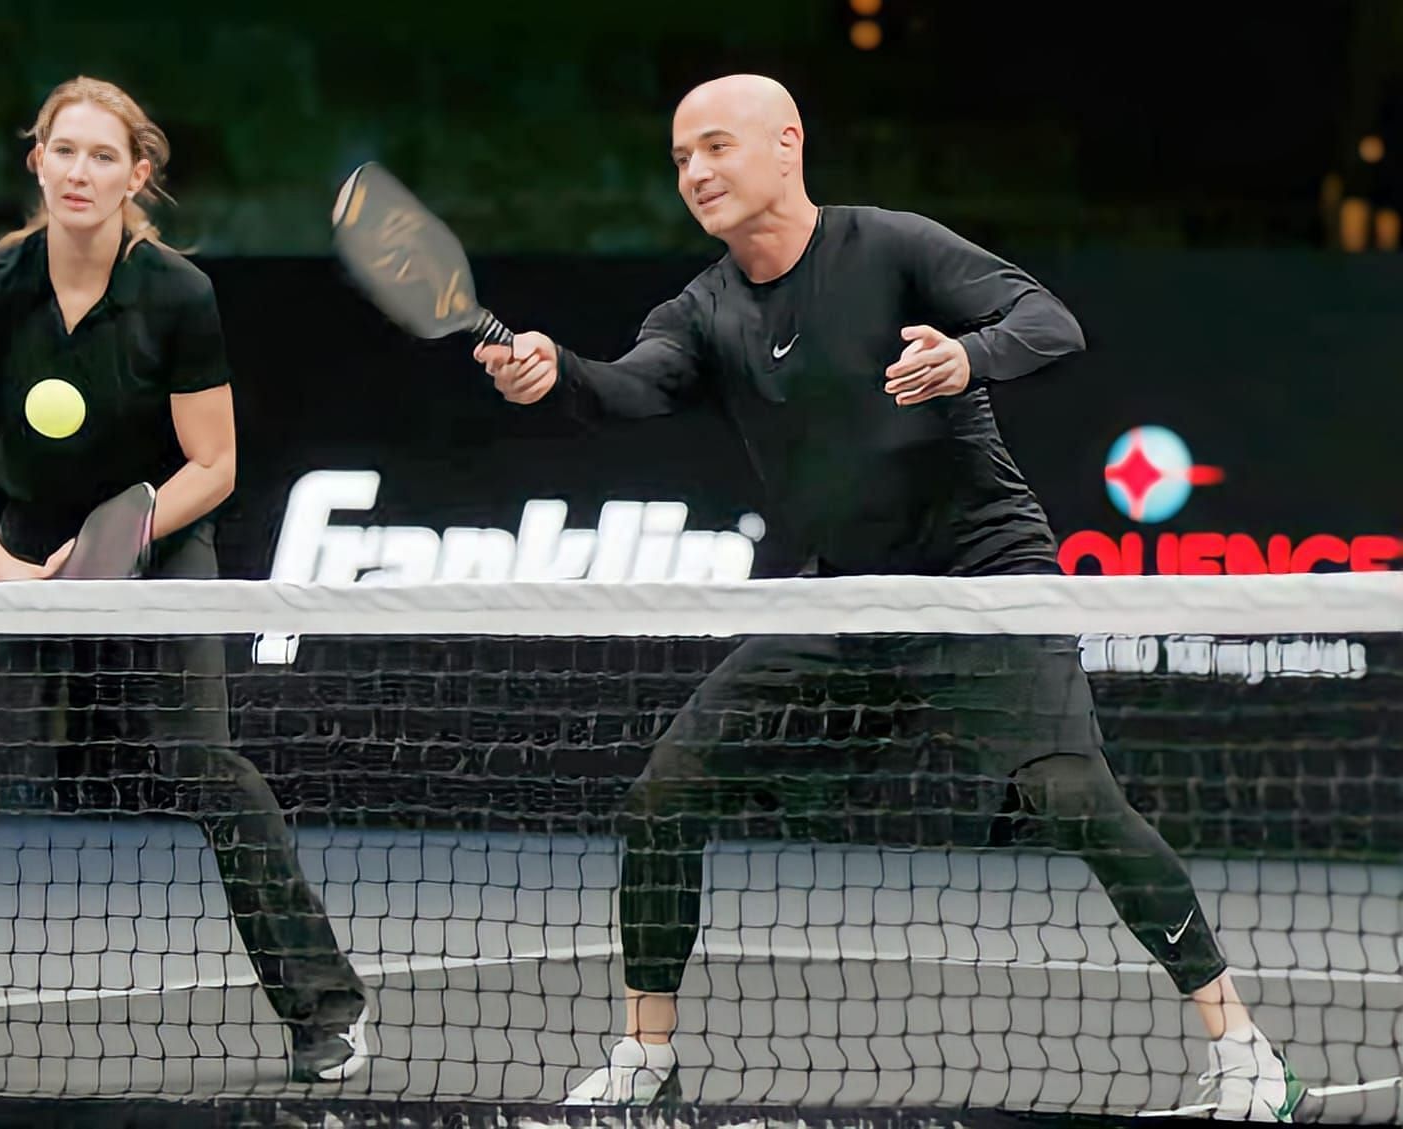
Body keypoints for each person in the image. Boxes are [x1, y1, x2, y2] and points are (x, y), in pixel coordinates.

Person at [475, 74, 1303, 1122]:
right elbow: (632, 385)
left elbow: (1048, 322)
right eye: (680, 158)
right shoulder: (702, 310)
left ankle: (1243, 1050)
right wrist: (557, 375)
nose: (695, 173)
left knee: (1070, 800)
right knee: (662, 795)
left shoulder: (893, 248)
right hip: (842, 601)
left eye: (716, 147)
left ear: (787, 145)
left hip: (982, 584)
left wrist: (966, 356)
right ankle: (646, 1054)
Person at [0, 76, 372, 1088]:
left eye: (105, 156)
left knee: (207, 768)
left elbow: (213, 464)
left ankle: (326, 1010)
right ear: (38, 162)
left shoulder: (178, 294)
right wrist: (3, 569)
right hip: (26, 537)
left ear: (137, 173)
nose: (81, 172)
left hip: (158, 536)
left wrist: (120, 539)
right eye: (65, 151)